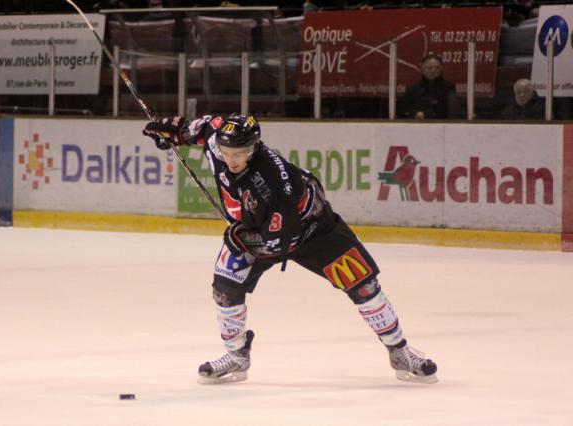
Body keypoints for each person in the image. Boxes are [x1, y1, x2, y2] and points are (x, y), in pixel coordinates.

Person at [143, 114, 438, 384]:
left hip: (313, 230)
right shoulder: (217, 140)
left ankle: (399, 351)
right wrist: (172, 129)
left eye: (239, 154)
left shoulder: (276, 181)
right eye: (227, 153)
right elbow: (202, 126)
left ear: (254, 148)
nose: (231, 160)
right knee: (224, 287)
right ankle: (236, 355)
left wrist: (244, 238)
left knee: (364, 286)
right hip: (255, 227)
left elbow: (279, 242)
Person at [401, 53, 461, 119]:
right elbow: (403, 108)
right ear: (422, 69)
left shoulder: (448, 87)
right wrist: (414, 114)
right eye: (430, 68)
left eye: (437, 68)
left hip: (441, 124)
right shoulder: (413, 88)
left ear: (441, 69)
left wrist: (427, 114)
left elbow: (450, 109)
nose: (433, 70)